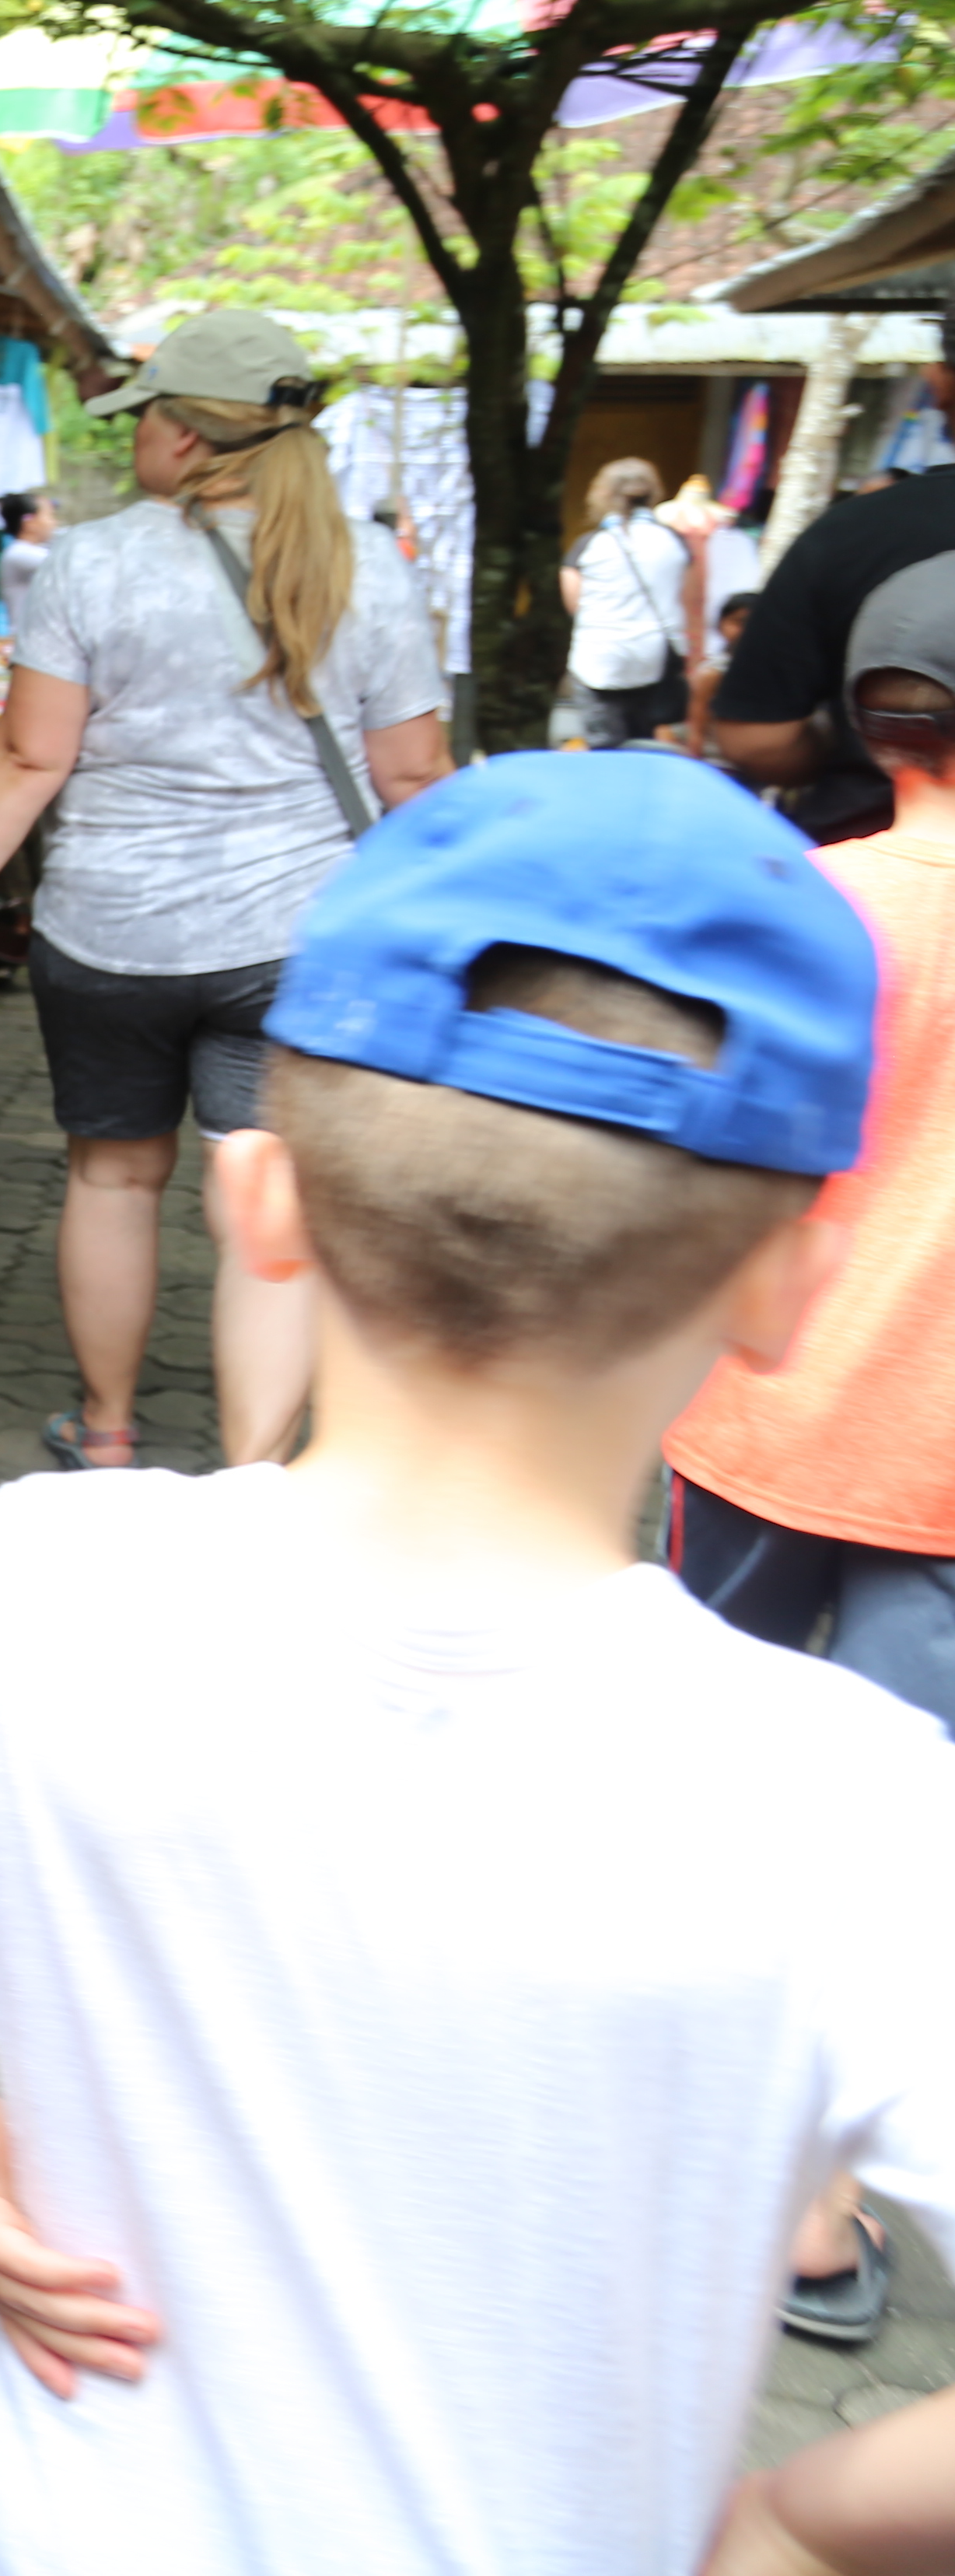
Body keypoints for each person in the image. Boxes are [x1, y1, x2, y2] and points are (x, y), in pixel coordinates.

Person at [0, 752, 955, 2576]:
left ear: (261, 1207)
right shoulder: (852, 1804)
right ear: (782, 1288)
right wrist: (804, 2531)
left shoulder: (39, 1586)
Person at [0, 311, 453, 1472]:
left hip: (110, 934)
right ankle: (255, 1471)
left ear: (188, 439)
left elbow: (32, 759)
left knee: (112, 1176)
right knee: (267, 1205)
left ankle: (105, 1436)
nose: (139, 434)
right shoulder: (369, 569)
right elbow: (413, 777)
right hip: (298, 942)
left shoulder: (92, 562)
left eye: (146, 413)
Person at [668, 556, 955, 2350]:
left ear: (865, 712)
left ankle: (780, 2192)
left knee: (717, 1798)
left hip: (756, 1422)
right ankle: (840, 2163)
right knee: (898, 1834)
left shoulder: (802, 911)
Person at [707, 317, 955, 842]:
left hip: (876, 864)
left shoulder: (855, 534)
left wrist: (849, 742)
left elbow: (757, 739)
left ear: (939, 382)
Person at [568, 457, 703, 749]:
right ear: (653, 492)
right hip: (652, 660)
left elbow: (574, 606)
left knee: (604, 749)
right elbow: (690, 600)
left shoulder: (588, 546)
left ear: (603, 494)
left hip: (599, 662)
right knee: (644, 744)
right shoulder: (674, 543)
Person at [0, 494, 58, 621]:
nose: (54, 523)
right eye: (49, 516)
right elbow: (67, 563)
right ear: (29, 523)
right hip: (28, 637)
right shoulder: (18, 553)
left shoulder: (37, 549)